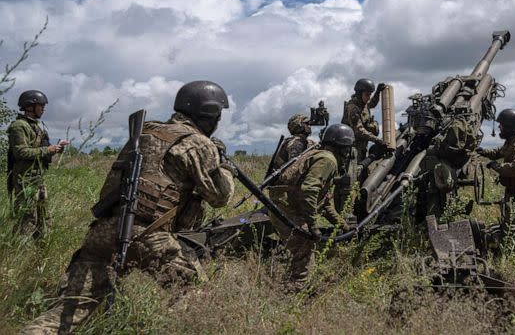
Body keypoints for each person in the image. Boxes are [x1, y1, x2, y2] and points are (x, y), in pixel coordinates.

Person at [22, 81, 236, 334]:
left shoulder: (145, 131)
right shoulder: (198, 143)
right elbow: (220, 197)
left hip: (102, 231)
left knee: (69, 311)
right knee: (196, 296)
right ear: (209, 115)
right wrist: (226, 170)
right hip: (148, 235)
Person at [267, 124, 354, 290]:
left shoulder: (321, 156)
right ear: (343, 148)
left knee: (303, 246)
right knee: (304, 243)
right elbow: (309, 190)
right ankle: (296, 289)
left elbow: (325, 204)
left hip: (283, 204)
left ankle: (297, 284)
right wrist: (313, 225)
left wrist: (343, 226)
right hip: (285, 206)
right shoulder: (328, 160)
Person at [7, 90, 69, 238]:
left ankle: (40, 251)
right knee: (27, 218)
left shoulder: (35, 126)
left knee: (44, 217)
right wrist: (47, 150)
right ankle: (21, 253)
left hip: (37, 178)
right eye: (41, 106)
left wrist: (56, 149)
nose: (43, 109)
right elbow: (21, 152)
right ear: (30, 106)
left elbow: (40, 151)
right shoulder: (19, 126)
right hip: (25, 180)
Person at [341, 78, 387, 162]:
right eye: (367, 95)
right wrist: (376, 140)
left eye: (370, 95)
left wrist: (377, 92)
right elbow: (359, 130)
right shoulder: (353, 108)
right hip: (353, 148)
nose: (369, 98)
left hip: (362, 146)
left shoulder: (363, 104)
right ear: (359, 93)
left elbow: (372, 103)